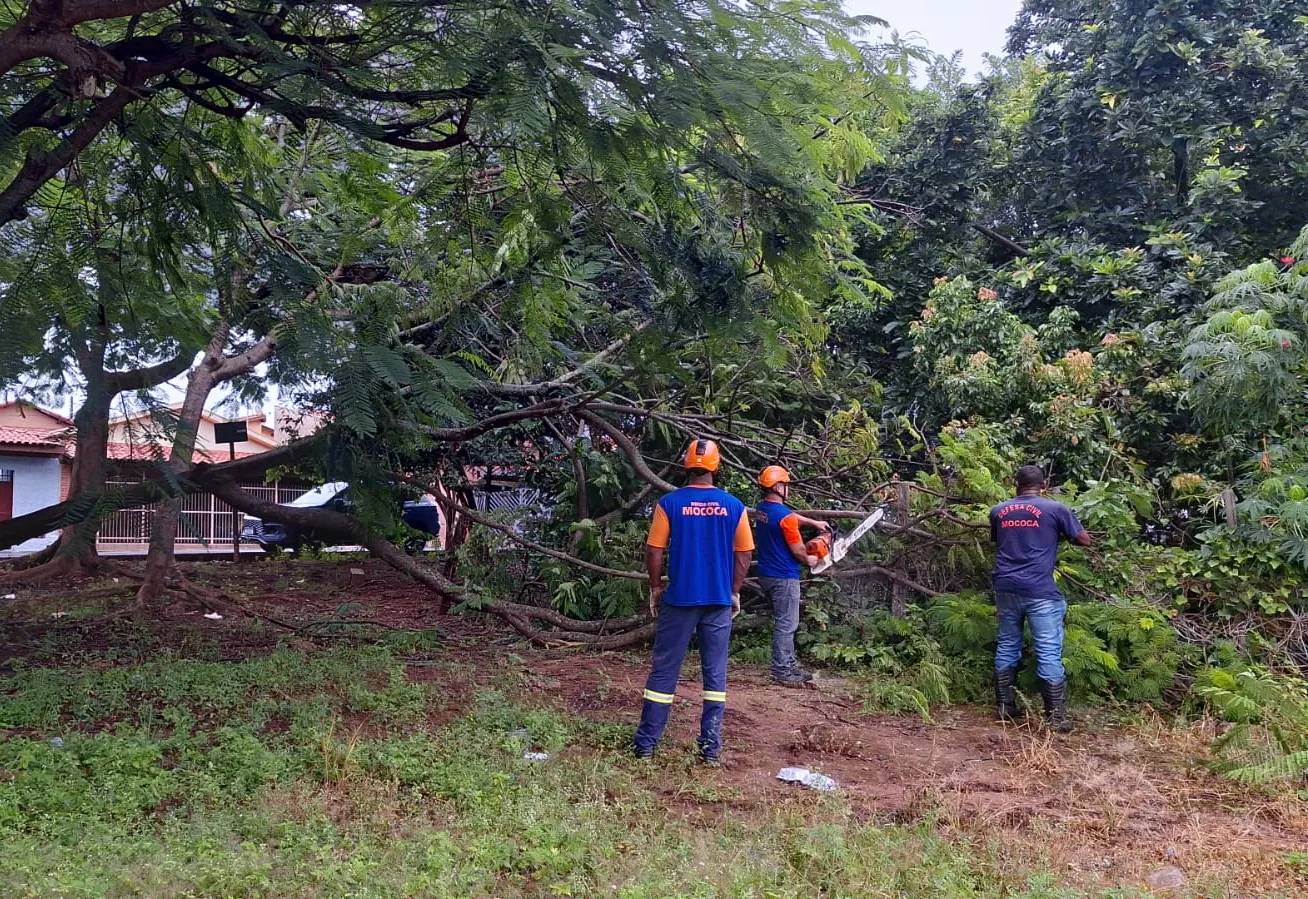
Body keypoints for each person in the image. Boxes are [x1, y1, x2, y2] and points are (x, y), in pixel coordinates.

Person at [634, 438, 754, 763]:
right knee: (715, 675)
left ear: (686, 465)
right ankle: (710, 750)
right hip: (717, 602)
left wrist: (656, 587)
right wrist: (734, 590)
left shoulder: (669, 504)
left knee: (664, 673)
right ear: (717, 467)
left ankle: (646, 746)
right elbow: (744, 553)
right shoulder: (734, 506)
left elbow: (654, 549)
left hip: (679, 600)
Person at [989, 465, 1093, 733]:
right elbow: (1084, 540)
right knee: (1047, 649)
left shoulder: (998, 511)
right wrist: (1059, 534)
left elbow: (1002, 540)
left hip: (1005, 587)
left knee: (1007, 643)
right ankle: (1056, 717)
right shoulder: (1055, 509)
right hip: (1039, 590)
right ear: (1043, 484)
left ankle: (1005, 707)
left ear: (1016, 484)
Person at [754, 465, 831, 686]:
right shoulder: (784, 518)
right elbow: (798, 551)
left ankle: (787, 664)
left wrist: (813, 522)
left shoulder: (763, 509)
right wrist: (811, 560)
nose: (788, 489)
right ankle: (782, 671)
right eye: (786, 486)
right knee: (787, 624)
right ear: (778, 487)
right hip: (784, 577)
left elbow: (789, 517)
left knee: (783, 622)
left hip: (767, 575)